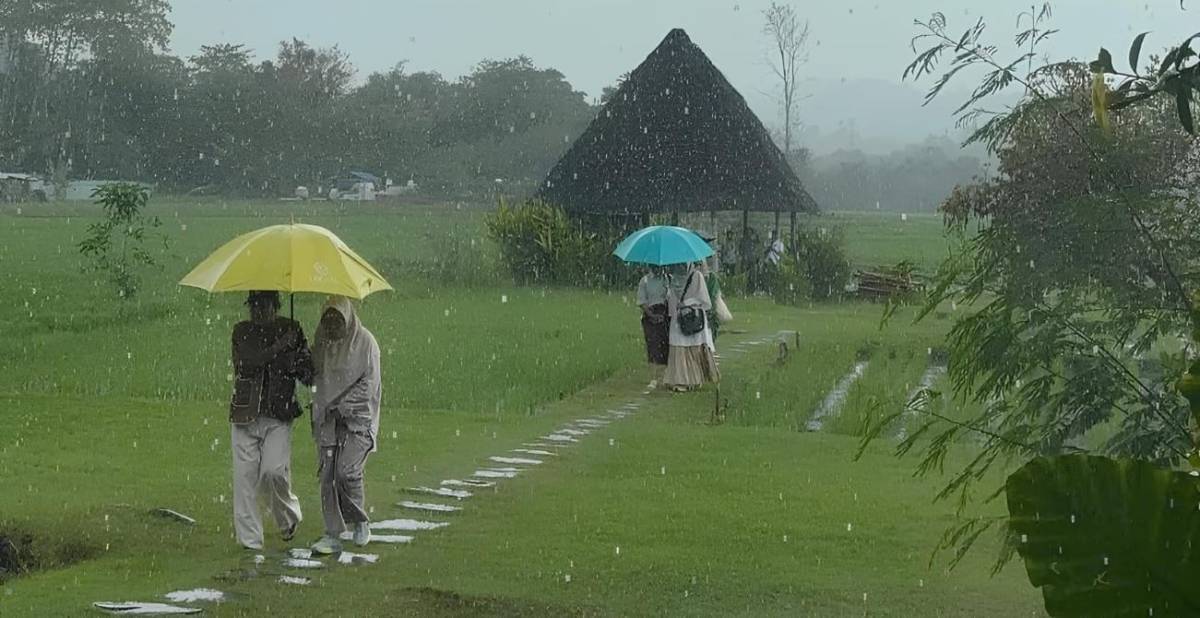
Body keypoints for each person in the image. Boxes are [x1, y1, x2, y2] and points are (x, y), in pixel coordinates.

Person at [229, 290, 313, 551]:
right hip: (244, 412)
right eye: (254, 305)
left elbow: (308, 373)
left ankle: (287, 518)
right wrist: (278, 346)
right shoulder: (241, 331)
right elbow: (248, 363)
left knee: (273, 472)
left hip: (279, 413)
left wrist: (294, 356)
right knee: (245, 480)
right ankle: (250, 544)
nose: (259, 311)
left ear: (276, 306)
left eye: (264, 305)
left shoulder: (292, 329)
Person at [309, 296, 382, 555]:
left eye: (337, 320)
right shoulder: (321, 343)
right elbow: (314, 375)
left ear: (347, 318)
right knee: (328, 476)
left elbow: (369, 385)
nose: (332, 326)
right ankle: (333, 533)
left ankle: (360, 521)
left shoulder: (366, 344)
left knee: (346, 472)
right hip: (328, 420)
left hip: (357, 421)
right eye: (327, 320)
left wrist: (344, 404)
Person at [664, 262, 720, 392]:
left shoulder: (697, 277)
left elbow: (704, 300)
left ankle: (695, 379)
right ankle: (680, 380)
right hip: (679, 319)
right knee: (679, 348)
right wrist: (674, 311)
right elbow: (672, 300)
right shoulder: (674, 279)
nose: (681, 266)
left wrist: (687, 303)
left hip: (693, 318)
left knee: (695, 349)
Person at [636, 266, 670, 388]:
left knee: (665, 345)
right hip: (650, 314)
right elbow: (642, 301)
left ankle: (664, 375)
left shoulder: (667, 279)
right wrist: (652, 315)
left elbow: (669, 298)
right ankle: (654, 377)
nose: (657, 269)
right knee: (653, 345)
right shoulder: (644, 281)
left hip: (665, 313)